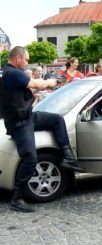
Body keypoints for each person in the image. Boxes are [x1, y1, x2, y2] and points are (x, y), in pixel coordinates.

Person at [0, 46, 84, 212]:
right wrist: (49, 82)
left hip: (27, 116)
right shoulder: (12, 72)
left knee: (57, 120)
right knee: (30, 158)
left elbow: (28, 89)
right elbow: (33, 82)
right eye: (26, 59)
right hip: (20, 123)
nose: (27, 63)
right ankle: (16, 198)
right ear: (17, 58)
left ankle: (68, 157)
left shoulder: (9, 74)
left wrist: (43, 88)